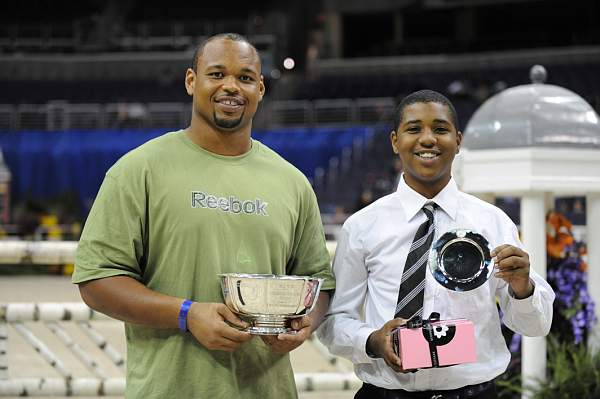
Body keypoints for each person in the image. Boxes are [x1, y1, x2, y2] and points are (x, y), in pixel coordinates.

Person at [73, 33, 334, 399]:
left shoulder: (292, 182)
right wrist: (186, 314)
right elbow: (96, 281)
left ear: (260, 89)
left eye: (244, 78)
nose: (231, 87)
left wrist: (306, 323)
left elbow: (319, 280)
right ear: (191, 81)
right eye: (216, 74)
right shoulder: (138, 170)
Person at [317, 90, 554, 399]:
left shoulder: (493, 222)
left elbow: (536, 325)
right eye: (414, 129)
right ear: (394, 141)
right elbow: (333, 322)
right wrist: (373, 340)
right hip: (385, 393)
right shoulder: (362, 226)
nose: (427, 139)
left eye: (440, 129)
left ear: (458, 141)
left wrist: (523, 288)